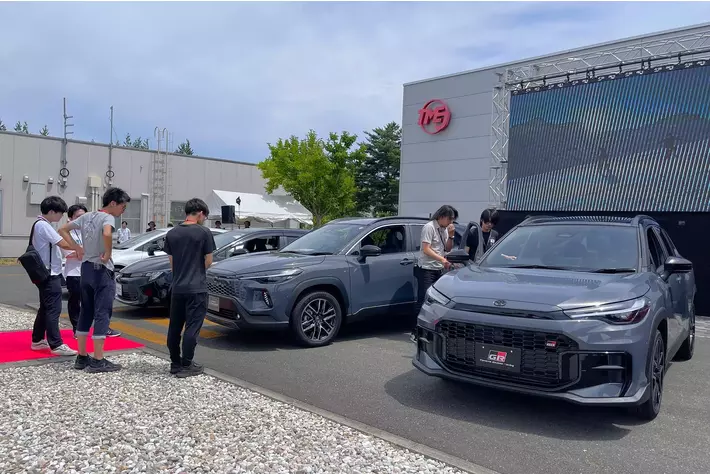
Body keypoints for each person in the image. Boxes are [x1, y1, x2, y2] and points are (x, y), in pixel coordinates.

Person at [59, 187, 131, 373]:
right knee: (102, 312)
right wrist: (108, 253)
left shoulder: (87, 216)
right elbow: (107, 233)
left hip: (86, 268)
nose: (123, 211)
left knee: (86, 311)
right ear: (113, 203)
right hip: (101, 270)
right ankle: (98, 359)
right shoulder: (108, 218)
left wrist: (77, 247)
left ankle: (82, 356)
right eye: (122, 207)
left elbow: (62, 229)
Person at [164, 198, 216, 378]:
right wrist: (197, 271)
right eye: (205, 217)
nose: (204, 220)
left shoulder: (172, 233)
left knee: (175, 326)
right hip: (196, 287)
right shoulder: (204, 233)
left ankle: (175, 362)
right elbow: (209, 260)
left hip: (177, 287)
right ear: (200, 213)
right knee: (192, 327)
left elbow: (172, 263)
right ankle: (187, 363)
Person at [30, 197, 79, 356]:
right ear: (51, 212)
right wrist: (79, 248)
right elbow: (62, 242)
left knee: (45, 307)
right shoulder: (44, 225)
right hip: (50, 274)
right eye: (60, 213)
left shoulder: (40, 224)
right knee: (53, 309)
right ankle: (56, 344)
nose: (61, 216)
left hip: (44, 273)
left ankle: (37, 340)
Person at [410, 205, 457, 343]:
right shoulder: (429, 227)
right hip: (426, 268)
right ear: (441, 216)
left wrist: (451, 236)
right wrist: (442, 259)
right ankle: (416, 331)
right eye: (449, 219)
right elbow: (426, 249)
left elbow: (447, 248)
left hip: (439, 268)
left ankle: (431, 331)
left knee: (438, 301)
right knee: (424, 299)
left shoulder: (445, 229)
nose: (450, 222)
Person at [62, 204, 87, 338]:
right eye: (78, 217)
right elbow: (69, 254)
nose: (82, 220)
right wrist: (82, 252)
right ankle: (76, 328)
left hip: (88, 271)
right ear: (71, 218)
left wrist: (81, 252)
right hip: (73, 273)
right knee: (75, 301)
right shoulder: (66, 233)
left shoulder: (88, 232)